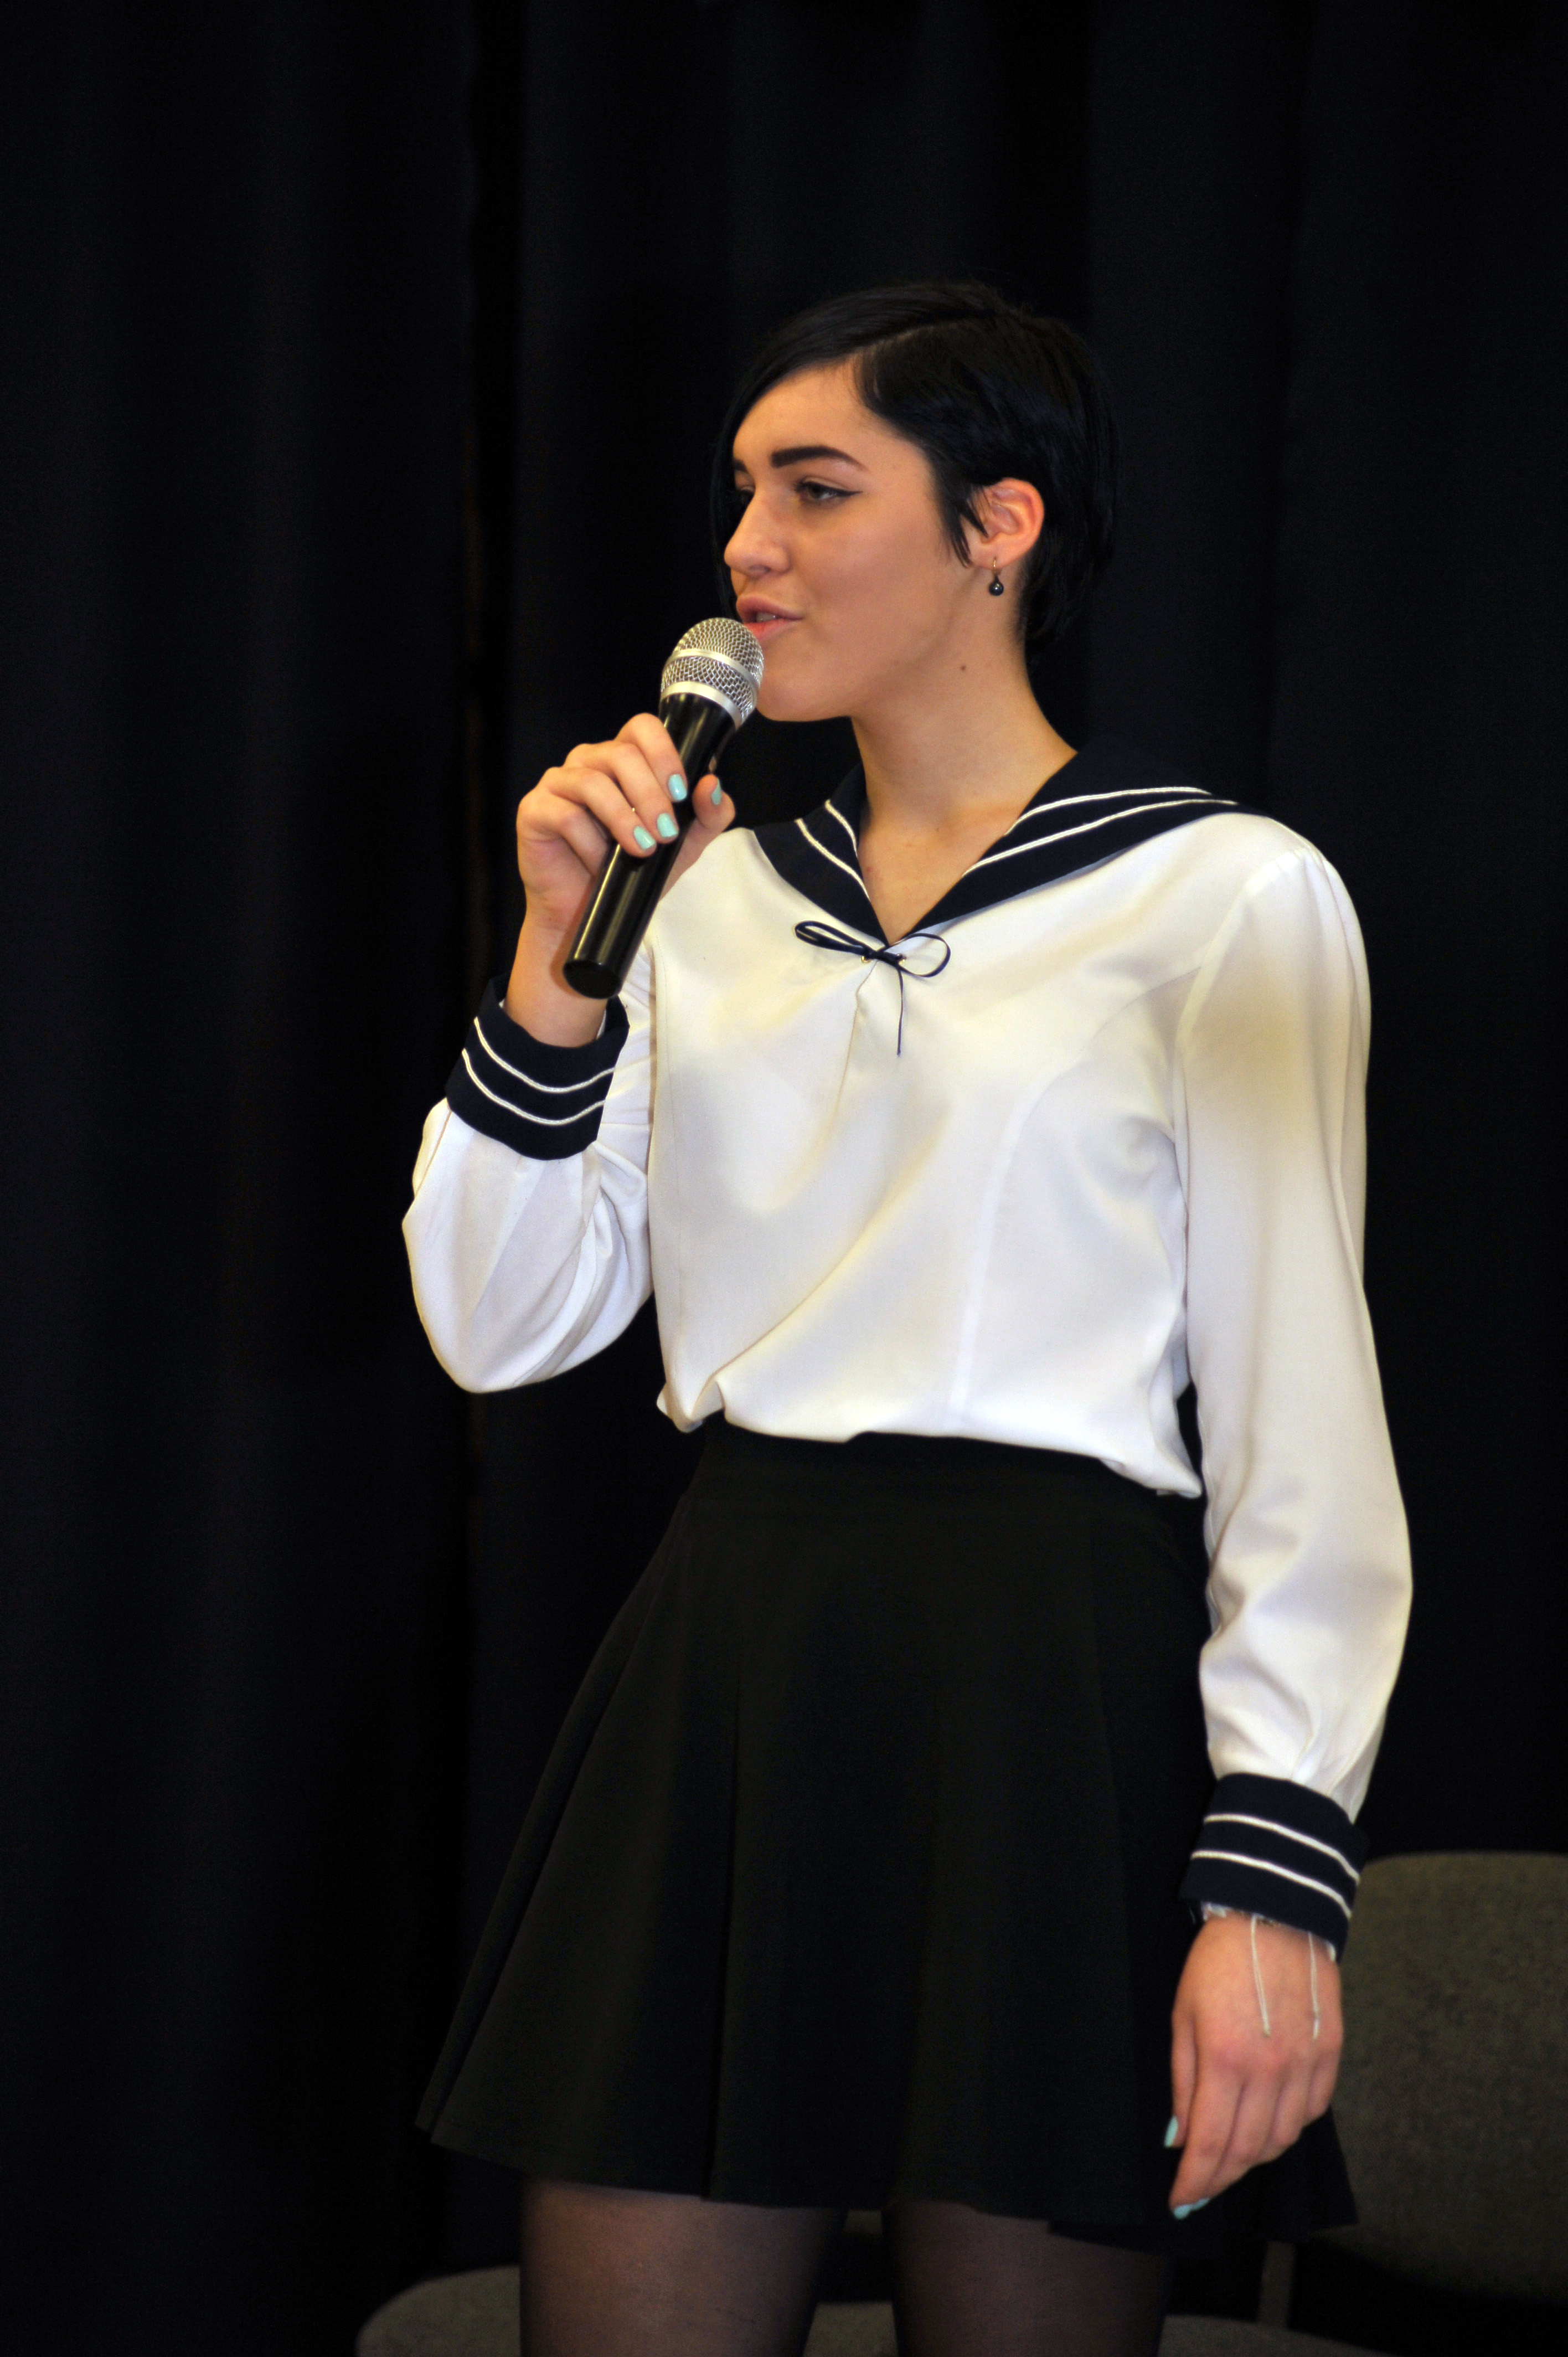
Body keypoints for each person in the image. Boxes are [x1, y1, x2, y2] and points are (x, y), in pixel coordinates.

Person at [403, 282, 1411, 2357]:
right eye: (740, 495)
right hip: (738, 1659)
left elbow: (1305, 1422)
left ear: (997, 526)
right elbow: (499, 1323)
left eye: (816, 490)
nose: (746, 548)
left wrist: (1273, 1876)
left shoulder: (1225, 898)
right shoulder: (703, 900)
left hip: (1054, 1688)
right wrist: (552, 972)